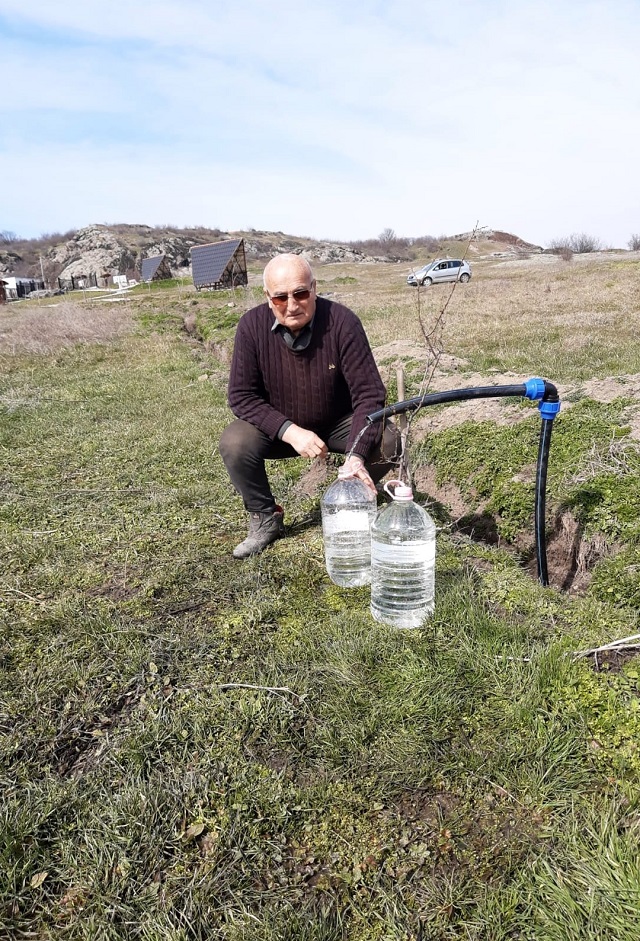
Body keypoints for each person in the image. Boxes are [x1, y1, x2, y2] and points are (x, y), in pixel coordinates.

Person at [219, 253, 400, 558]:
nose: (292, 305)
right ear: (267, 297)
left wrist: (356, 455)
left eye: (301, 293)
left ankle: (350, 498)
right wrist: (290, 432)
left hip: (337, 423)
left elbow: (369, 395)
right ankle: (265, 517)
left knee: (390, 440)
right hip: (280, 430)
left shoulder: (342, 323)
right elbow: (241, 396)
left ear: (314, 288)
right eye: (280, 297)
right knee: (234, 442)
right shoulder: (251, 327)